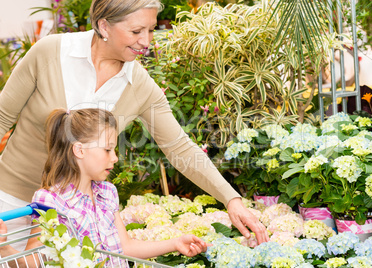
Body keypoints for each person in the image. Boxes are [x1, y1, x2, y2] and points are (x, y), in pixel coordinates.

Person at [0, 0, 268, 249]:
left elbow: (179, 148)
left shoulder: (139, 85)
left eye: (150, 30)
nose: (146, 42)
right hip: (9, 202)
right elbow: (2, 117)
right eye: (136, 31)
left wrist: (230, 199)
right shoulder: (50, 53)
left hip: (74, 218)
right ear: (104, 25)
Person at [0, 108, 208, 267]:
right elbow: (34, 260)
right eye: (108, 149)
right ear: (79, 150)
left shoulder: (107, 193)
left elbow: (125, 247)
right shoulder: (50, 200)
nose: (115, 158)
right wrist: (4, 246)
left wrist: (175, 243)